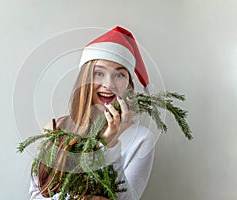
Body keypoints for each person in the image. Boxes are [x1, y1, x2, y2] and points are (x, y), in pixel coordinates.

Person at [29, 26, 156, 200]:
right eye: (98, 73)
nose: (109, 84)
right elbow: (35, 195)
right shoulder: (55, 128)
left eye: (119, 75)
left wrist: (111, 143)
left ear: (128, 86)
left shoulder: (141, 138)